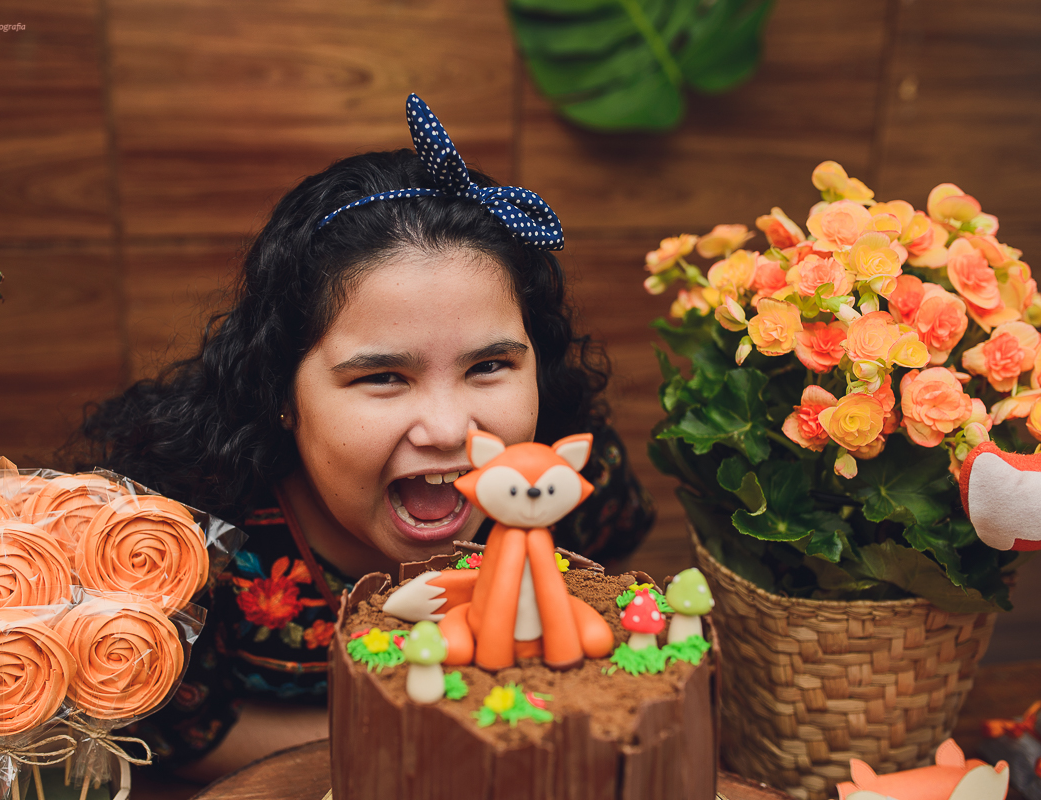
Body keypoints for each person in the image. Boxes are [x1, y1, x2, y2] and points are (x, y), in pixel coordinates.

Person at [71, 95, 654, 779]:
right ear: (281, 391)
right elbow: (168, 733)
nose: (447, 429)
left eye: (490, 366)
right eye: (383, 377)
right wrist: (433, 735)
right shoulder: (192, 543)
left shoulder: (570, 481)